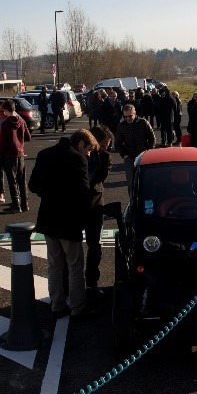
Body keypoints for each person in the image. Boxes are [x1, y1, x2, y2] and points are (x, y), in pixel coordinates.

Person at [28, 129, 99, 320]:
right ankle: (77, 306)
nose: (89, 154)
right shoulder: (78, 159)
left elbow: (32, 185)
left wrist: (48, 194)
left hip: (48, 217)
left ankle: (57, 304)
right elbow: (83, 192)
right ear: (81, 144)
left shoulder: (45, 154)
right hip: (69, 220)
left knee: (54, 264)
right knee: (75, 265)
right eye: (89, 149)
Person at [83, 126, 112, 302]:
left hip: (95, 204)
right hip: (84, 203)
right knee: (73, 247)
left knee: (95, 245)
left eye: (107, 146)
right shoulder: (81, 155)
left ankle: (91, 282)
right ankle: (76, 282)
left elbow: (100, 177)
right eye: (103, 145)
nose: (105, 148)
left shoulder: (105, 157)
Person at [115, 103, 155, 198]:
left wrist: (148, 152)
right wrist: (124, 155)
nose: (128, 118)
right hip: (129, 157)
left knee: (145, 181)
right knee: (131, 182)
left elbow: (152, 138)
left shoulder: (143, 122)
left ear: (135, 113)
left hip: (143, 157)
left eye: (130, 116)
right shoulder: (122, 126)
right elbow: (118, 142)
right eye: (125, 116)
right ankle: (133, 204)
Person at [0, 100, 31, 212]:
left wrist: (1, 155)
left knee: (12, 181)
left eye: (4, 110)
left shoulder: (6, 124)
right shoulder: (21, 121)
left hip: (9, 155)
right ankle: (25, 203)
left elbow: (3, 143)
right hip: (20, 154)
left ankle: (16, 205)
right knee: (22, 180)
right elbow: (28, 137)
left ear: (6, 110)